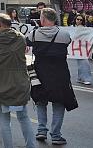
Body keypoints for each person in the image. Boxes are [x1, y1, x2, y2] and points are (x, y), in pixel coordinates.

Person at [0, 13, 35, 148]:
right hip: (20, 84)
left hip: (1, 85)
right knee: (24, 118)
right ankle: (31, 145)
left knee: (4, 120)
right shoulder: (21, 37)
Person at [26, 8, 77, 146]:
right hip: (60, 74)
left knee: (41, 101)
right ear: (55, 19)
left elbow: (27, 42)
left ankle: (41, 130)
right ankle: (56, 135)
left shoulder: (34, 34)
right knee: (59, 103)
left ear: (42, 20)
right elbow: (68, 42)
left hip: (40, 74)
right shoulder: (64, 34)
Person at [73, 16, 92, 85]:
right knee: (80, 63)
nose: (79, 21)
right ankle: (80, 78)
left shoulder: (84, 28)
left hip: (83, 47)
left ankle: (86, 78)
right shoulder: (72, 27)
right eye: (77, 19)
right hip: (75, 48)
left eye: (81, 20)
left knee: (84, 63)